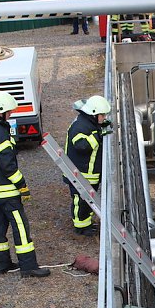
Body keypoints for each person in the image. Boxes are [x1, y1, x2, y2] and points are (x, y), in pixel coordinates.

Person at [0, 91, 51, 279]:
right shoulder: (1, 134)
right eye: (9, 112)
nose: (10, 114)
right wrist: (22, 185)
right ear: (0, 111)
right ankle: (28, 267)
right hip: (7, 191)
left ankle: (2, 264)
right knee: (21, 227)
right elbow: (8, 166)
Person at [64, 95, 113, 236]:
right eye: (102, 115)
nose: (104, 117)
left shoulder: (88, 123)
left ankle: (86, 222)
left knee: (88, 200)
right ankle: (80, 227)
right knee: (80, 201)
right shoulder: (80, 126)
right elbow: (81, 146)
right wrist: (98, 135)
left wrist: (102, 127)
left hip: (88, 173)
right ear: (93, 113)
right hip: (81, 174)